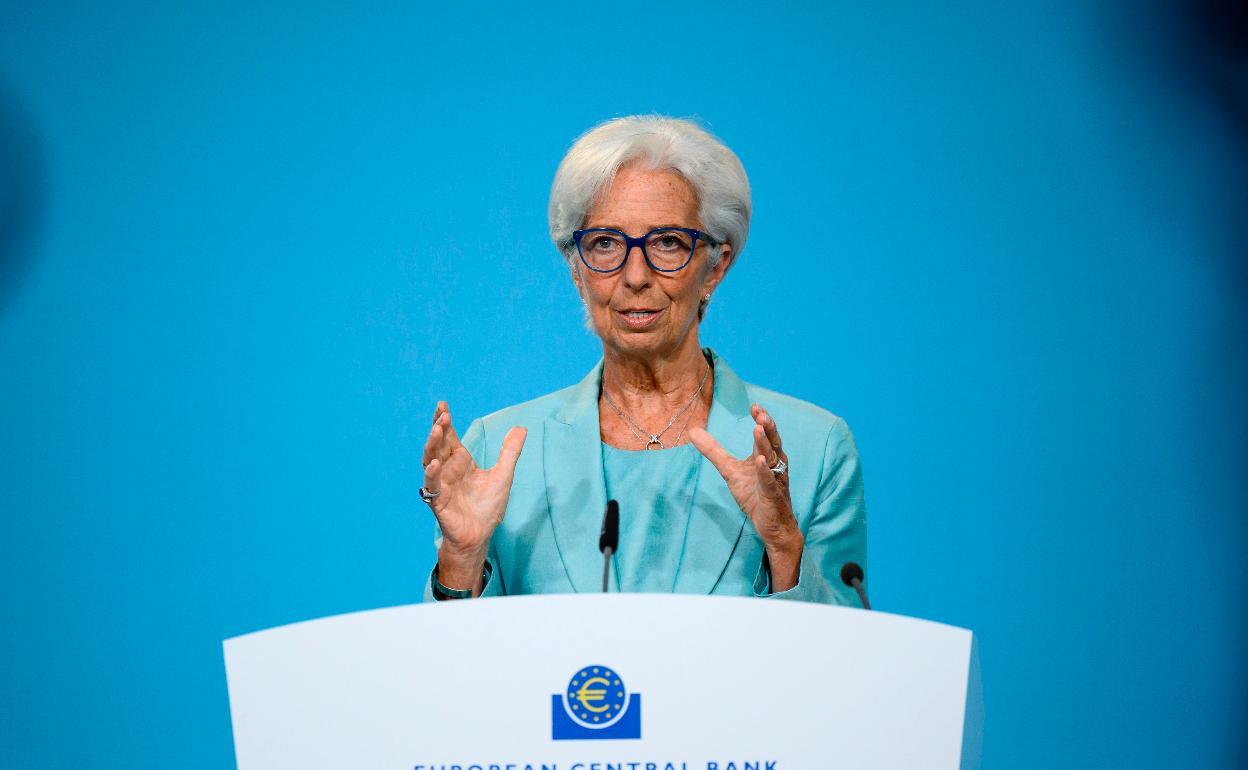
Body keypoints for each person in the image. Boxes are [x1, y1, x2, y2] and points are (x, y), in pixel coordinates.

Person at [420, 115, 866, 604]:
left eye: (667, 242)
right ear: (576, 270)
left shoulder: (816, 447)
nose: (635, 276)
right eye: (606, 244)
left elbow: (847, 648)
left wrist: (783, 547)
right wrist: (462, 558)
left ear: (715, 265)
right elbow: (450, 653)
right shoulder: (497, 451)